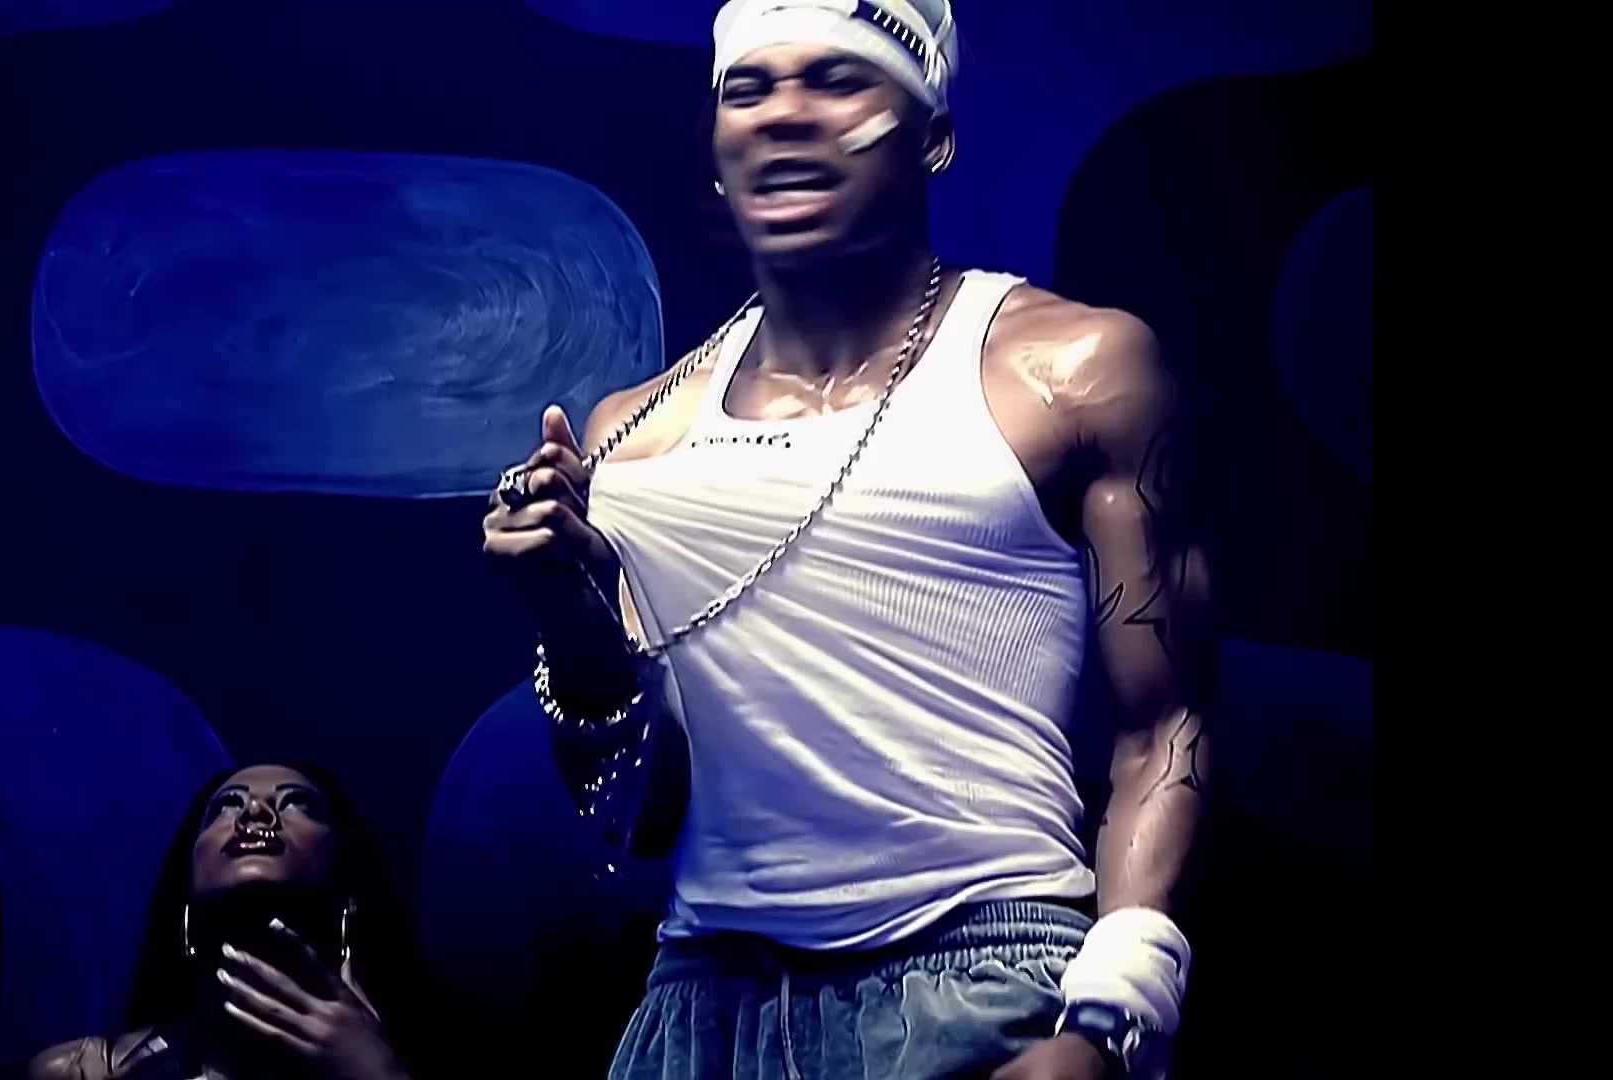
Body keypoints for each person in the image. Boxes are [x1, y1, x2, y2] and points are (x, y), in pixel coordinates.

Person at [483, 1, 1215, 1077]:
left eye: (837, 79)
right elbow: (642, 815)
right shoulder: (632, 438)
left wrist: (1113, 1021)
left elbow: (1169, 720)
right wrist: (569, 610)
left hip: (982, 979)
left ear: (934, 137)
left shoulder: (1072, 372)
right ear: (718, 153)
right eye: (749, 88)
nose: (786, 114)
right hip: (703, 1005)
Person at [29, 763, 413, 1080]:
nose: (255, 811)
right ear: (185, 894)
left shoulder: (409, 1058)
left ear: (346, 890)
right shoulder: (84, 1071)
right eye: (227, 805)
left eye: (298, 803)